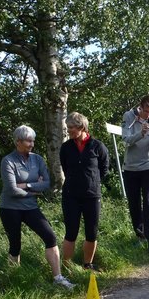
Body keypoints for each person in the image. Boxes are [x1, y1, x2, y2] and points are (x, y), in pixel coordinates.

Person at [0, 125, 74, 289]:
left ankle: (58, 278)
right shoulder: (8, 161)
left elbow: (47, 183)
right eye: (28, 141)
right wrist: (33, 190)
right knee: (15, 245)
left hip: (30, 207)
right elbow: (12, 190)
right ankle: (14, 280)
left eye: (33, 141)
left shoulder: (37, 159)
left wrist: (25, 185)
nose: (32, 144)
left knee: (50, 237)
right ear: (18, 141)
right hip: (10, 208)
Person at [60, 112, 109, 270]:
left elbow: (104, 169)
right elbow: (66, 168)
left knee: (91, 232)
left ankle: (87, 265)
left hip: (92, 196)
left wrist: (91, 181)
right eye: (68, 127)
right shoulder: (65, 148)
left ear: (81, 127)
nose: (69, 130)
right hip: (70, 196)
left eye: (71, 127)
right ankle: (66, 267)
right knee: (71, 232)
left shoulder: (98, 146)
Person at [121, 94, 149, 254]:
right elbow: (125, 140)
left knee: (147, 200)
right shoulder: (128, 116)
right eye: (146, 112)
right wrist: (141, 133)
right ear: (140, 108)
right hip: (131, 168)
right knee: (134, 203)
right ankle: (140, 236)